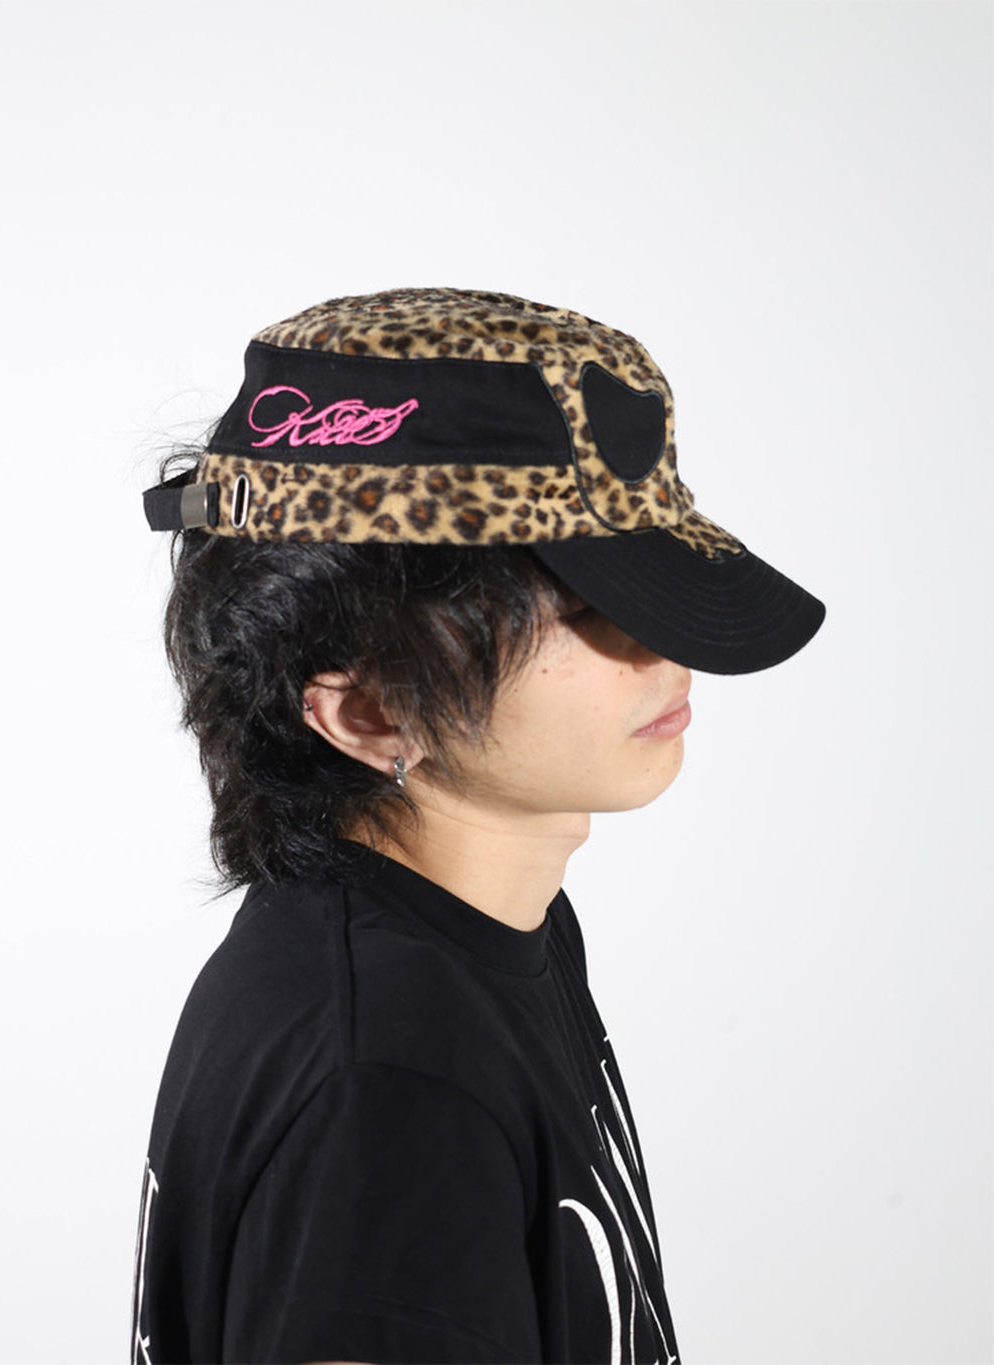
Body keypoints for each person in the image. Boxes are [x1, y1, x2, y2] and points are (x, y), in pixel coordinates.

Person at [133, 286, 825, 1365]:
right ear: (369, 711)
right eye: (581, 610)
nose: (659, 645)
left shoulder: (474, 933)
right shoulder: (393, 1086)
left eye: (655, 580)